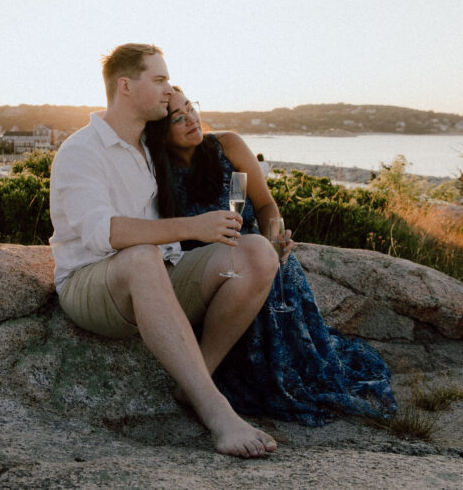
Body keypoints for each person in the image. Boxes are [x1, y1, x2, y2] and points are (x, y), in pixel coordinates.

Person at [49, 44, 279, 458]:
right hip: (92, 283)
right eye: (158, 80)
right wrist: (193, 226)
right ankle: (217, 411)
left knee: (257, 253)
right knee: (141, 256)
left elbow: (234, 183)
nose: (167, 88)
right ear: (125, 86)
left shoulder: (150, 151)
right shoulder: (82, 151)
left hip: (161, 275)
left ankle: (192, 383)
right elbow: (104, 232)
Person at [145, 88, 397, 425]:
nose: (191, 119)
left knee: (272, 268)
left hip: (259, 253)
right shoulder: (153, 172)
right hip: (210, 272)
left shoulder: (227, 145)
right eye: (178, 117)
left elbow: (265, 205)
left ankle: (211, 379)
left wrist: (276, 239)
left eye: (191, 107)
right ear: (161, 132)